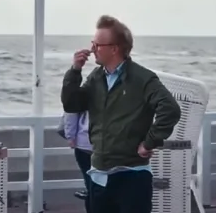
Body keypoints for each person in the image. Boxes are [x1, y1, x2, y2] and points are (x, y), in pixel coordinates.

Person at [61, 15, 181, 213]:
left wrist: (149, 142)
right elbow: (72, 104)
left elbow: (170, 109)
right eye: (92, 43)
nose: (92, 49)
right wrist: (75, 71)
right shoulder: (96, 77)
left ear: (114, 49)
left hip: (132, 176)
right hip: (99, 174)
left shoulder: (142, 78)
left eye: (97, 45)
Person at [64, 110, 94, 207]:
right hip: (112, 142)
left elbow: (71, 111)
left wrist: (70, 136)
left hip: (85, 140)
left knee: (90, 183)